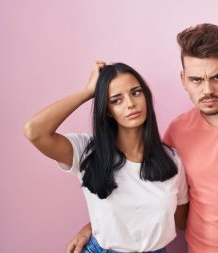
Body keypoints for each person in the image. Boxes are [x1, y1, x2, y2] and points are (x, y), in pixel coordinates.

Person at [67, 23, 218, 253]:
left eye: (217, 77)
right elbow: (144, 189)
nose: (207, 90)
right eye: (196, 79)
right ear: (183, 80)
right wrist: (94, 226)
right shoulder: (178, 131)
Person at [23, 62, 189, 253]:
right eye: (116, 100)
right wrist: (88, 92)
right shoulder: (87, 152)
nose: (130, 103)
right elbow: (34, 131)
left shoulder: (172, 159)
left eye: (136, 92)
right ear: (107, 109)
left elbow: (181, 220)